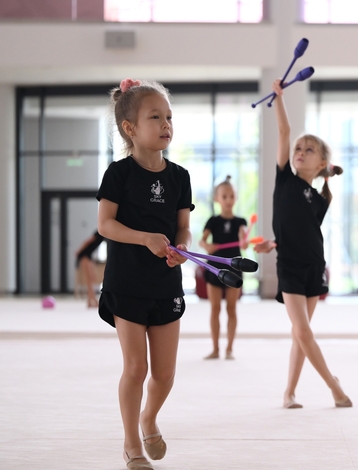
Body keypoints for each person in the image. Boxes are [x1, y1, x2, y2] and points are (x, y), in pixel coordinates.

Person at [97, 78, 194, 470]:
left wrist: (181, 247)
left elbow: (183, 227)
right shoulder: (118, 174)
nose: (166, 124)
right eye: (156, 116)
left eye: (169, 116)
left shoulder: (180, 176)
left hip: (165, 283)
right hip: (127, 282)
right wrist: (145, 238)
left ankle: (149, 418)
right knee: (136, 368)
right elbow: (105, 225)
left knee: (165, 375)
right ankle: (131, 442)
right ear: (130, 128)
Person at [254, 79, 351, 410]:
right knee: (304, 331)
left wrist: (274, 239)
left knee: (301, 333)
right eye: (299, 148)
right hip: (291, 268)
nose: (300, 152)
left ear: (321, 163)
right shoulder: (285, 179)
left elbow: (300, 228)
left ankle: (289, 393)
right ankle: (333, 385)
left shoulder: (321, 198)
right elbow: (284, 132)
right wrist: (279, 97)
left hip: (314, 265)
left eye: (309, 150)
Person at [198, 176, 249, 360]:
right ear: (217, 199)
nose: (228, 200)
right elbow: (201, 241)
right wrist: (207, 247)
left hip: (234, 269)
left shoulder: (240, 221)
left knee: (231, 309)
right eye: (224, 196)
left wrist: (244, 242)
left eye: (231, 196)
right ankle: (215, 349)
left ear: (235, 198)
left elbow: (244, 243)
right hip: (214, 269)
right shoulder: (212, 221)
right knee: (215, 309)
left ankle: (229, 349)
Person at [75, 230, 106, 308]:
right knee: (89, 278)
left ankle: (90, 301)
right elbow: (87, 242)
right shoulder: (99, 232)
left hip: (89, 255)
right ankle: (93, 300)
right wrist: (79, 251)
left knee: (92, 277)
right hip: (84, 255)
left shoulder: (105, 234)